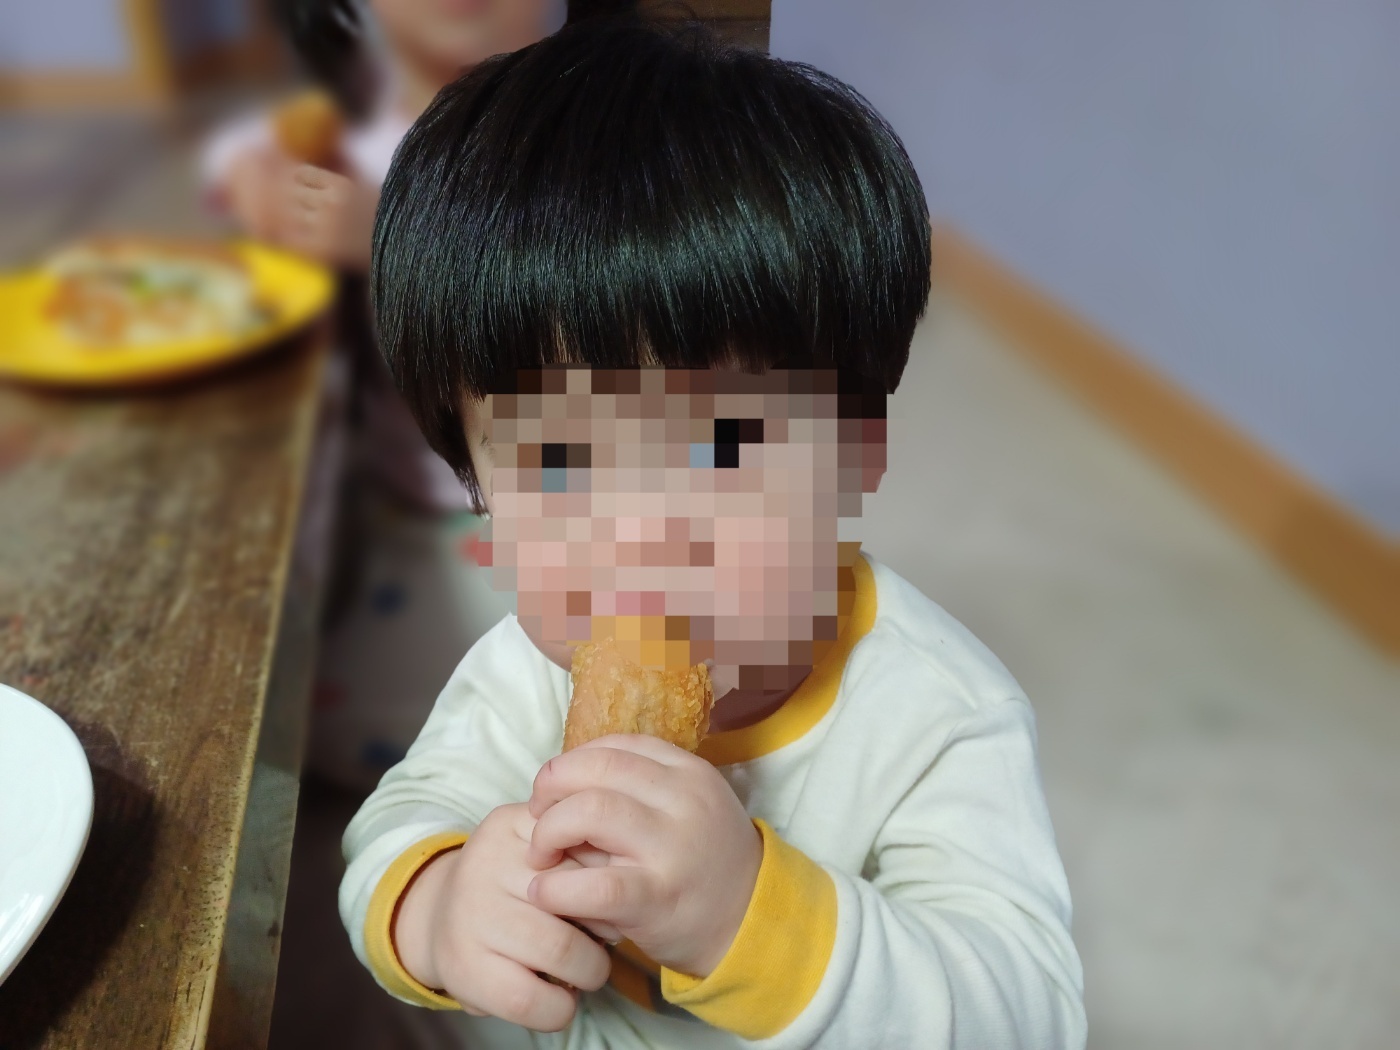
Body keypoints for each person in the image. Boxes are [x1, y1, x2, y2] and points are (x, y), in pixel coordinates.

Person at [340, 17, 1087, 1048]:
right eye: (559, 461)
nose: (643, 537)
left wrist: (752, 920)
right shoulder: (523, 673)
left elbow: (1027, 1017)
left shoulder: (937, 720)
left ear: (859, 453)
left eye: (728, 442)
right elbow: (403, 817)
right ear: (477, 488)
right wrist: (434, 907)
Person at [201, 0, 634, 792]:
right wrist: (253, 173)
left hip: (573, 507)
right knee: (291, 718)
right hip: (406, 497)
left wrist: (386, 243)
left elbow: (588, 310)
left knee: (555, 724)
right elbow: (232, 155)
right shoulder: (348, 138)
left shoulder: (590, 133)